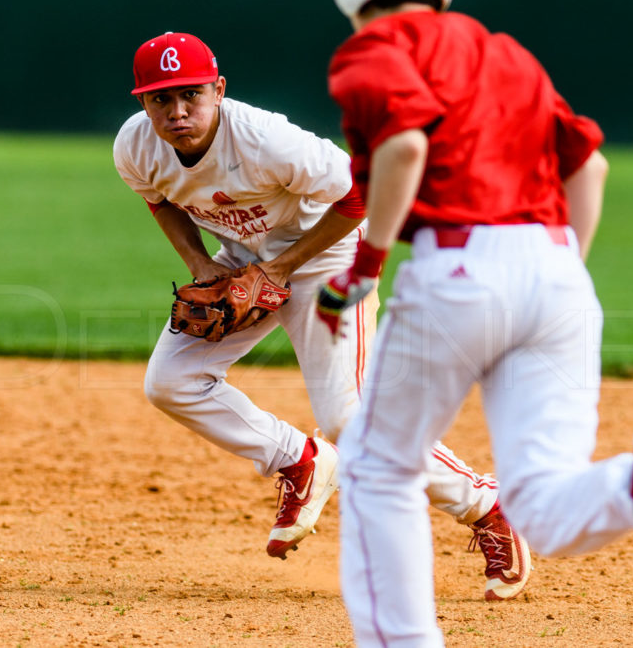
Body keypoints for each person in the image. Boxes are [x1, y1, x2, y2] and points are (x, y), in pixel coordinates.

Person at [316, 0, 633, 644]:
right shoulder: (504, 50)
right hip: (557, 270)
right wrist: (550, 282)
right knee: (540, 500)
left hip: (459, 266)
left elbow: (406, 144)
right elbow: (590, 165)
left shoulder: (375, 49)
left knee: (378, 467)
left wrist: (364, 265)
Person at [113, 30, 532, 601]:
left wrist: (282, 270)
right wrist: (198, 262)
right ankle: (300, 461)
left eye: (191, 94)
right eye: (161, 98)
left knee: (347, 418)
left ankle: (486, 503)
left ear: (219, 89)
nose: (178, 110)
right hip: (245, 255)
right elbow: (159, 198)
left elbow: (362, 193)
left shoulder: (267, 141)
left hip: (327, 254)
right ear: (142, 102)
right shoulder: (135, 147)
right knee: (171, 382)